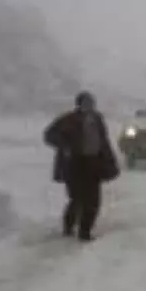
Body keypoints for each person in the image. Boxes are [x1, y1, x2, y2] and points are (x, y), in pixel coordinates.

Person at [43, 91, 120, 240]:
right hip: (74, 164)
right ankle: (68, 227)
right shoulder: (68, 119)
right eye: (85, 103)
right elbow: (49, 135)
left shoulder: (98, 120)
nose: (89, 106)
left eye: (91, 103)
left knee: (93, 201)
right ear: (79, 105)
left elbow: (104, 143)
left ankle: (85, 232)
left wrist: (110, 162)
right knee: (77, 198)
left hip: (94, 164)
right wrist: (65, 146)